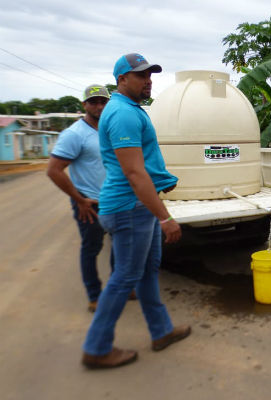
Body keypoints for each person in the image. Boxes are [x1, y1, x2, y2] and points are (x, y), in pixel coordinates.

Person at [81, 53, 191, 369]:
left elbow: (141, 164)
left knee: (145, 269)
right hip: (129, 208)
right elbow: (133, 173)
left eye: (149, 74)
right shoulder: (123, 114)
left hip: (136, 206)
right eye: (141, 75)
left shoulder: (130, 110)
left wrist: (161, 180)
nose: (148, 80)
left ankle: (161, 332)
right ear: (122, 80)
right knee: (125, 277)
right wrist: (165, 217)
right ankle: (96, 347)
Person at [47, 84, 115, 312]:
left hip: (114, 200)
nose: (98, 106)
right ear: (84, 104)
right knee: (92, 248)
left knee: (119, 245)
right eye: (93, 102)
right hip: (89, 203)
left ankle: (120, 288)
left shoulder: (109, 130)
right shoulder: (75, 134)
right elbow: (54, 170)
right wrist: (79, 199)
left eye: (103, 101)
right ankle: (94, 295)